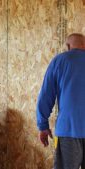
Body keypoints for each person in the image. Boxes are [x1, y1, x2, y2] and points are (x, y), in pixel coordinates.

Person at [36, 33, 85, 169]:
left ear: (68, 46)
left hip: (68, 130)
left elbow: (46, 95)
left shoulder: (59, 61)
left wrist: (43, 126)